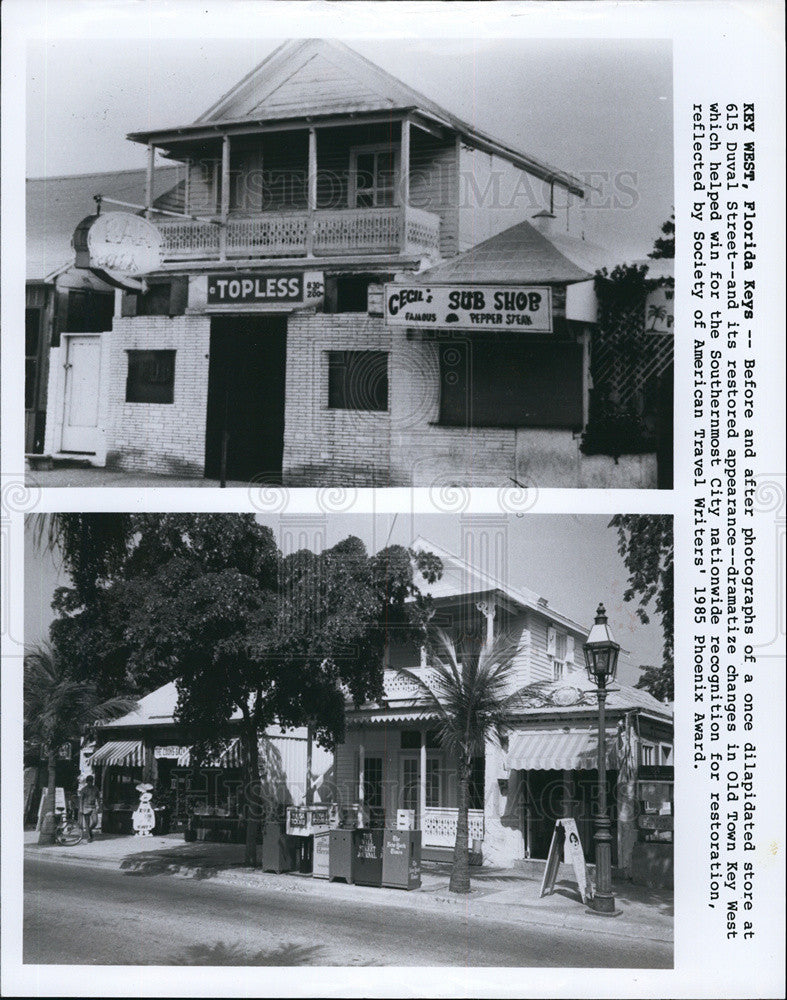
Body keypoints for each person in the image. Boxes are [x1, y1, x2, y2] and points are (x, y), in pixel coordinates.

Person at [78, 775, 100, 842]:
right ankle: (89, 837)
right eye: (89, 781)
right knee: (87, 823)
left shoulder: (96, 789)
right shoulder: (83, 790)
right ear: (87, 782)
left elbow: (98, 798)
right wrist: (81, 809)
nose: (91, 782)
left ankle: (90, 830)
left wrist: (98, 805)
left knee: (95, 822)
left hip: (93, 807)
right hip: (85, 807)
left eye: (92, 781)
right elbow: (81, 800)